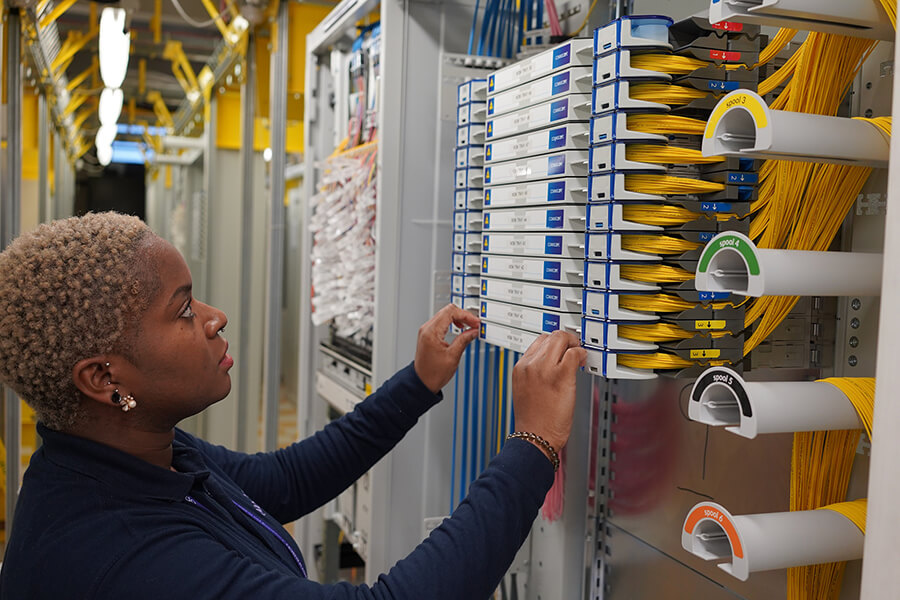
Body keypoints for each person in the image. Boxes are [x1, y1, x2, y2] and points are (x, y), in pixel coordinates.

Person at [0, 212, 585, 599]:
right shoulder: (122, 554)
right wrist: (533, 443)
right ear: (103, 377)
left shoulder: (138, 454)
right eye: (183, 310)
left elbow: (284, 481)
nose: (214, 317)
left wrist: (418, 382)